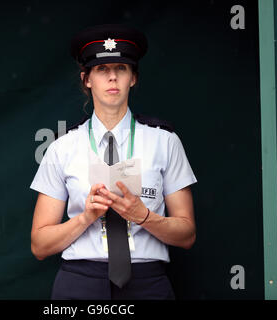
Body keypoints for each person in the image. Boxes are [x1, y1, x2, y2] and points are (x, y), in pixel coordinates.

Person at [30, 24, 197, 300]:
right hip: (79, 283)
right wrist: (86, 218)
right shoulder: (61, 147)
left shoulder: (165, 141)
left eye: (121, 68)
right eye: (102, 70)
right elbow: (39, 245)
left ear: (133, 78)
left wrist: (143, 216)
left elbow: (187, 234)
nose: (112, 78)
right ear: (87, 79)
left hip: (147, 283)